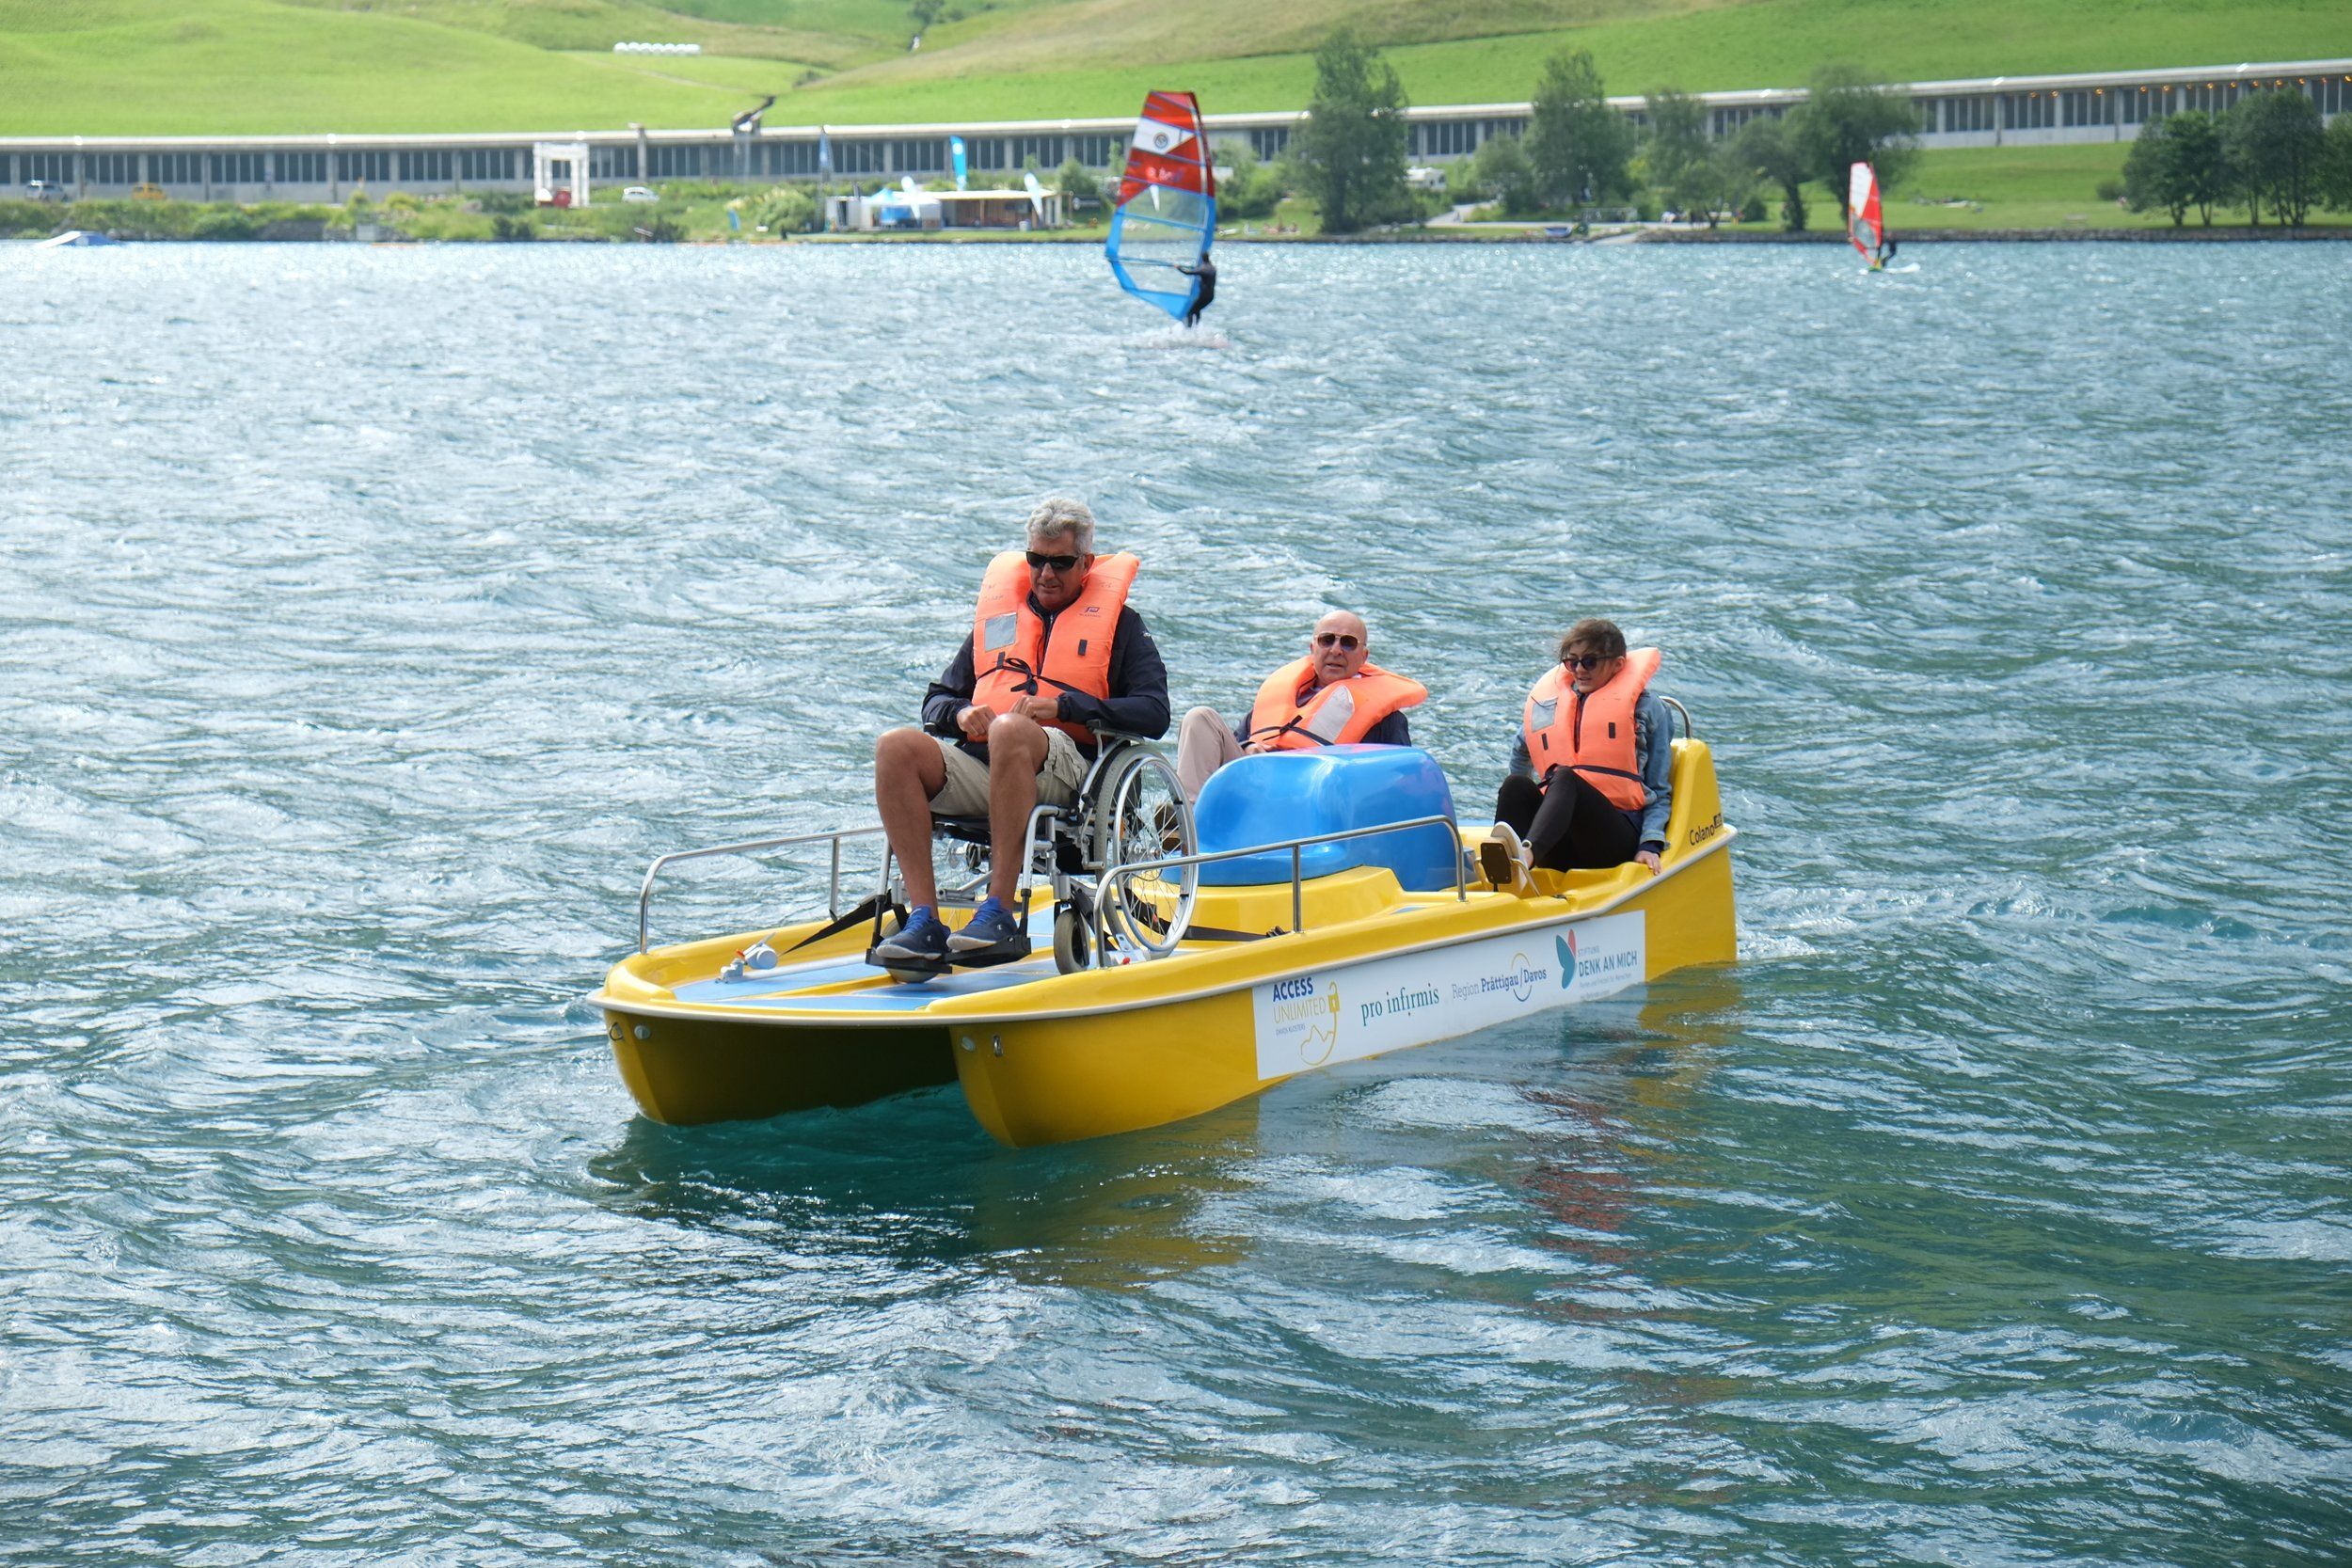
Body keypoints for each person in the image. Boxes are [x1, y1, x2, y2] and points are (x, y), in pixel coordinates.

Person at [870, 498, 1169, 966]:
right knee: (895, 747)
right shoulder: (999, 623)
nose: (1046, 573)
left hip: (1069, 770)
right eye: (1036, 560)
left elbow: (1154, 712)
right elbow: (936, 698)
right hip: (985, 763)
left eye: (1061, 562)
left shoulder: (1123, 628)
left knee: (1010, 729)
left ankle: (999, 911)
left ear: (1086, 564)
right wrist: (960, 714)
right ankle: (923, 920)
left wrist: (1065, 705)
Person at [1489, 618, 1672, 882]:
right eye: (1571, 662)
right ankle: (1503, 875)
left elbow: (1659, 789)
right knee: (1515, 785)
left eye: (1590, 662)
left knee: (1565, 779)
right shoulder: (1553, 706)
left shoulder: (1648, 710)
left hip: (1612, 842)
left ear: (1618, 665)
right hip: (1560, 841)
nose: (1579, 670)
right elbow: (1521, 749)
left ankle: (1524, 858)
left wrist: (1650, 845)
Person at [1175, 610, 1424, 798]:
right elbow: (1239, 740)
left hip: (1313, 798)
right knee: (1200, 718)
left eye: (1348, 643)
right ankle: (1190, 826)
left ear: (1364, 656)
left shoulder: (1387, 720)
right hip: (1254, 784)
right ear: (1313, 648)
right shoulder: (1282, 696)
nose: (1336, 650)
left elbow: (1395, 778)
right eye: (1327, 640)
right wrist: (1249, 746)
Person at [1176, 249, 1216, 328]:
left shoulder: (1203, 269)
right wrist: (1196, 268)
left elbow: (1188, 273)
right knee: (1197, 310)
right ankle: (1197, 328)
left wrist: (1178, 267)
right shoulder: (1212, 268)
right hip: (1210, 297)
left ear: (1202, 259)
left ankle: (1189, 330)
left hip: (1204, 296)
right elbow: (1201, 270)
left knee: (1190, 313)